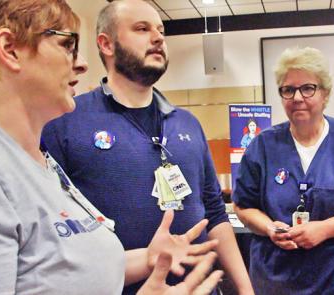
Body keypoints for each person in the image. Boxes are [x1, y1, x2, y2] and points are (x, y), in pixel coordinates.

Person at [0, 0, 224, 294]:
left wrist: (148, 258)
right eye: (66, 44)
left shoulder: (35, 158)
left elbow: (61, 271)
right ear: (10, 49)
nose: (83, 63)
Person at [41, 0, 254, 294]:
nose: (157, 38)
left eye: (160, 31)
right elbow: (53, 238)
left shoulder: (187, 123)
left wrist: (246, 289)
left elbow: (215, 213)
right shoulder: (65, 122)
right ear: (106, 44)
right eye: (142, 29)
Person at [231, 46, 334, 294]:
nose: (297, 97)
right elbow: (243, 205)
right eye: (288, 90)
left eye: (307, 88)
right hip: (274, 278)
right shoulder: (263, 145)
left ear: (325, 93)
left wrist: (324, 229)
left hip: (333, 278)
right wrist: (269, 227)